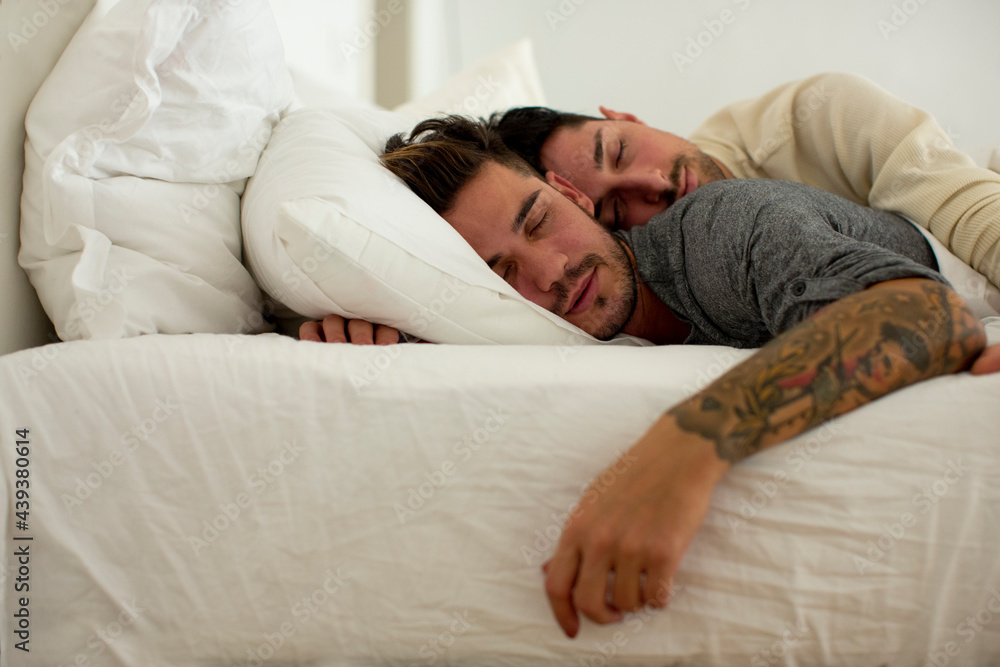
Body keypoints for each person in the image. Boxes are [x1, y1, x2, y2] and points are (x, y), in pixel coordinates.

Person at [372, 114, 1000, 639]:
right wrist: (358, 330)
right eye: (501, 275)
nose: (553, 271)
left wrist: (687, 447)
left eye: (538, 222)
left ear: (571, 193)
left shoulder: (719, 228)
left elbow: (922, 313)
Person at [492, 72, 1000, 289]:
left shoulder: (820, 115)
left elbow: (974, 212)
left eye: (620, 150)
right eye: (619, 210)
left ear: (627, 117)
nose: (654, 183)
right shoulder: (651, 271)